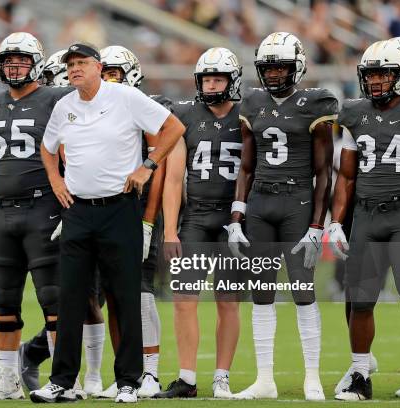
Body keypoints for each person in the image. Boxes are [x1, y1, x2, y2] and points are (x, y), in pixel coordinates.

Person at [29, 42, 184, 404]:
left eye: (82, 63)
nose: (74, 69)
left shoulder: (125, 97)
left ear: (99, 67)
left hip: (120, 208)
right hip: (78, 211)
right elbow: (48, 148)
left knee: (124, 295)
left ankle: (129, 381)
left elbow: (172, 127)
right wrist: (55, 181)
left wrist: (149, 165)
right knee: (71, 297)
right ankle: (63, 381)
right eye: (70, 65)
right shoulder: (64, 105)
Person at [228, 32, 337, 400]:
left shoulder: (315, 103)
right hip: (260, 203)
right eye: (268, 67)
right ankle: (264, 380)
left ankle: (311, 377)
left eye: (281, 67)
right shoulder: (253, 102)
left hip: (297, 203)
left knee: (303, 290)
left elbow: (325, 172)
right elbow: (245, 166)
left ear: (298, 66)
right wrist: (236, 215)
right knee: (262, 293)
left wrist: (316, 225)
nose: (274, 74)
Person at [0, 32, 72, 400]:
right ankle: (7, 377)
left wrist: (68, 203)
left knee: (53, 296)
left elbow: (70, 155)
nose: (14, 67)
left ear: (37, 63)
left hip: (43, 206)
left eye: (21, 60)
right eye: (9, 60)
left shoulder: (56, 99)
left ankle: (63, 379)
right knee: (2, 297)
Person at [159, 47, 243, 399]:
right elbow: (174, 179)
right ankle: (187, 377)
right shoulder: (186, 115)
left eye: (217, 78)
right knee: (184, 298)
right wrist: (169, 229)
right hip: (196, 216)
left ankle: (222, 376)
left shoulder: (247, 114)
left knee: (228, 300)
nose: (210, 84)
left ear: (232, 80)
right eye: (206, 78)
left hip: (232, 218)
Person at [328, 38, 400, 401]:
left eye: (384, 73)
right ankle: (361, 374)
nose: (377, 81)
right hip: (366, 215)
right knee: (359, 300)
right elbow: (346, 176)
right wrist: (335, 222)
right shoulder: (354, 112)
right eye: (371, 74)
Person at [19, 49, 98, 398]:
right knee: (73, 295)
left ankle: (40, 352)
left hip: (96, 205)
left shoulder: (104, 106)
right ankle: (62, 366)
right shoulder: (58, 111)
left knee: (93, 294)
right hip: (61, 207)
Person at [93, 44, 170, 399]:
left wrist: (149, 221)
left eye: (113, 74)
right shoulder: (92, 110)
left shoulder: (143, 108)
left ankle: (150, 373)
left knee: (139, 293)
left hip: (137, 211)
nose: (107, 81)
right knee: (112, 294)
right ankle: (126, 372)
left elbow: (159, 167)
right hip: (103, 212)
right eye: (103, 73)